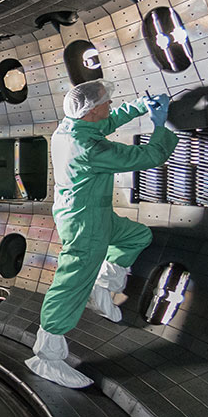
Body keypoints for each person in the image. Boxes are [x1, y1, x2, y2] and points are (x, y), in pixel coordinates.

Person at [26, 81, 178, 388]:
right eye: (107, 102)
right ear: (92, 108)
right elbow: (147, 157)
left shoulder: (70, 127)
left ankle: (102, 285)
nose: (110, 104)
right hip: (85, 223)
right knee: (69, 285)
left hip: (91, 212)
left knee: (136, 236)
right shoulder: (89, 148)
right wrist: (160, 125)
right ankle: (47, 357)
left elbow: (106, 121)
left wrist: (140, 105)